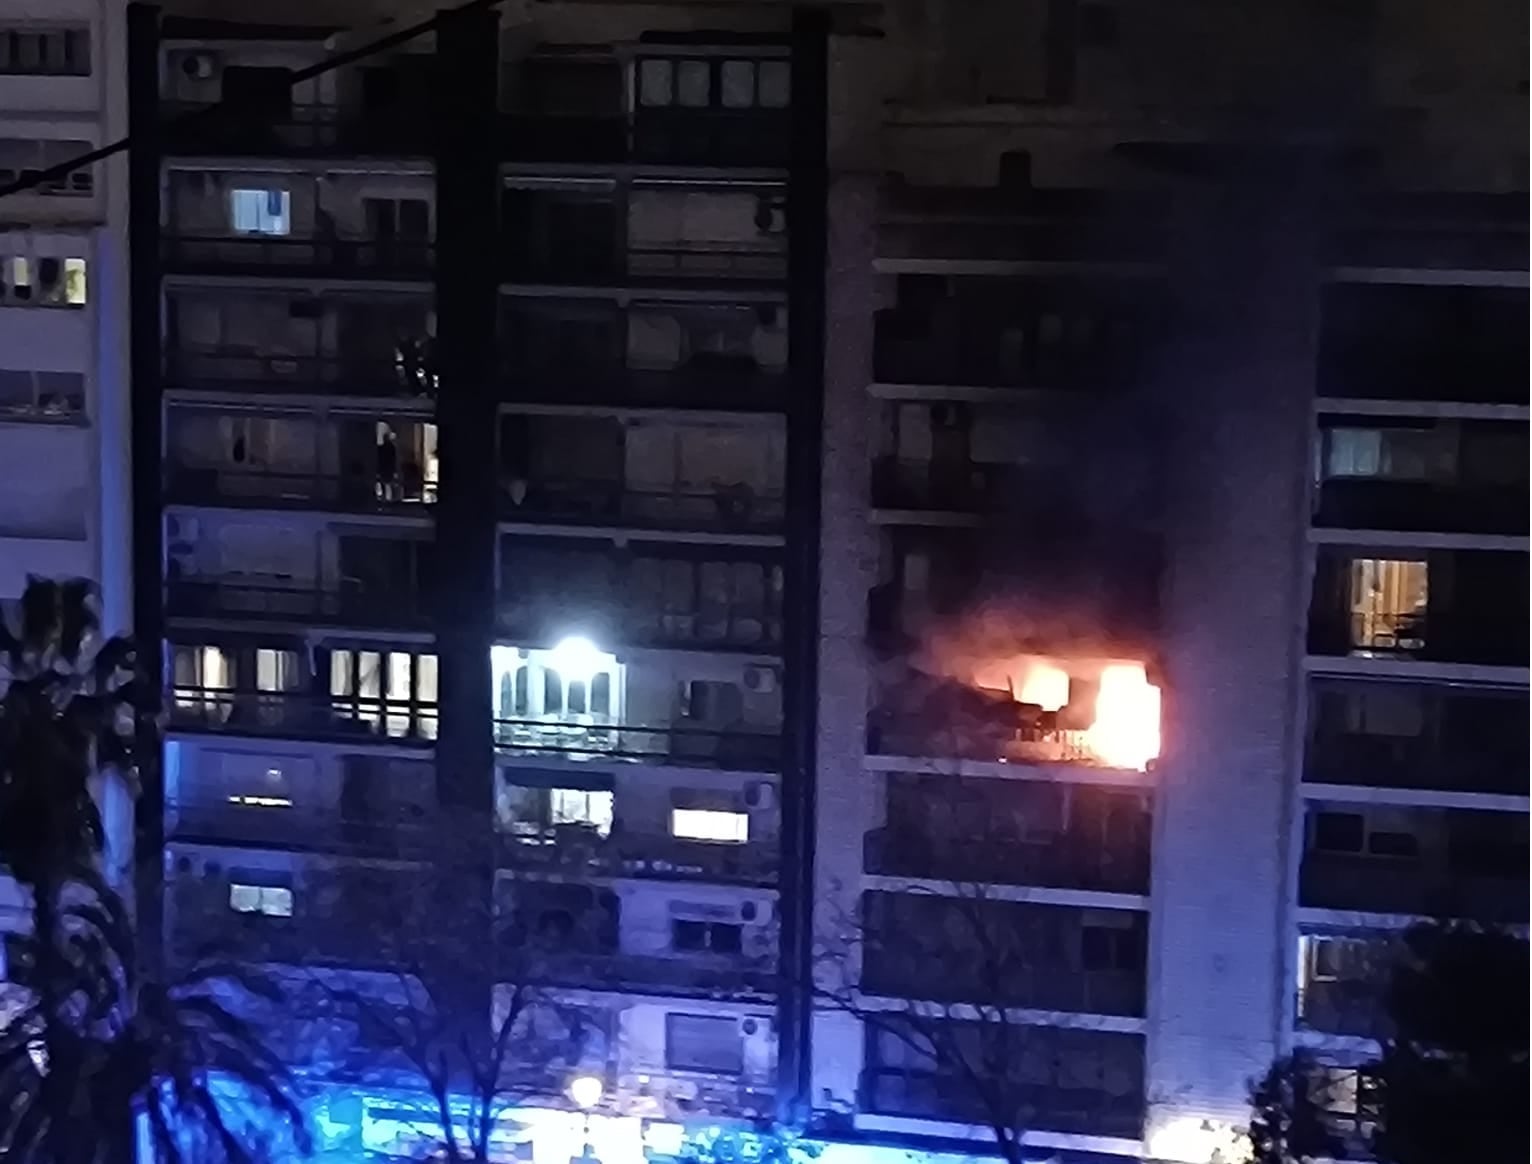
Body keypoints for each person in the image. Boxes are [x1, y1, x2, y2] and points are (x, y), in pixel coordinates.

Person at [376, 428, 399, 502]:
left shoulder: (382, 448)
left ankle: (384, 498)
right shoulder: (391, 447)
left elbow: (379, 459)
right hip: (388, 468)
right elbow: (393, 459)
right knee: (389, 483)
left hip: (384, 468)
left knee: (384, 483)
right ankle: (391, 499)